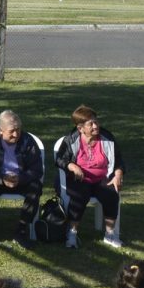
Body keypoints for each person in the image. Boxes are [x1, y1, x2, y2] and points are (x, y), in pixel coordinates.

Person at [54, 105, 125, 249]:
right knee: (79, 196)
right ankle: (72, 234)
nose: (95, 126)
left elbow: (118, 161)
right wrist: (72, 166)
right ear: (80, 128)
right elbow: (60, 159)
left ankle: (110, 234)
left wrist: (118, 175)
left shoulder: (107, 138)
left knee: (111, 193)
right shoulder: (71, 139)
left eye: (96, 122)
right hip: (79, 179)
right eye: (91, 124)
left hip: (102, 178)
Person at [0, 110, 45, 246]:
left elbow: (37, 169)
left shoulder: (27, 140)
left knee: (35, 186)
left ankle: (22, 228)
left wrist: (21, 178)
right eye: (11, 131)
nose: (16, 134)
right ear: (0, 130)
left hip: (20, 180)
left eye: (18, 130)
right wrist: (1, 178)